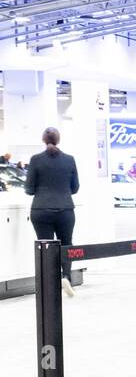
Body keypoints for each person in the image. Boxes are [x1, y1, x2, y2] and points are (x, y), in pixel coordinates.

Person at [24, 126, 79, 297]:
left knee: (45, 247)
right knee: (66, 244)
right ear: (58, 139)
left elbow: (29, 189)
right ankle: (66, 277)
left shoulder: (36, 160)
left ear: (43, 140)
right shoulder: (69, 160)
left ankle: (48, 284)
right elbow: (75, 187)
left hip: (41, 209)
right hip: (65, 209)